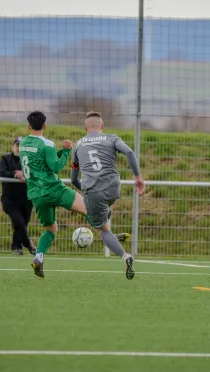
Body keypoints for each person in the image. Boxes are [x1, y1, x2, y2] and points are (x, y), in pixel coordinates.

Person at [19, 111, 129, 279]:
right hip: (54, 189)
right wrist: (65, 151)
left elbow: (41, 162)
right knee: (87, 208)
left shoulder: (23, 143)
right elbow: (55, 167)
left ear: (28, 126)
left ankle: (38, 257)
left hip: (36, 194)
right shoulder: (47, 144)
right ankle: (108, 234)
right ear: (45, 126)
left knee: (50, 229)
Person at [71, 111, 145, 280]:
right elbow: (129, 153)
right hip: (113, 188)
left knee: (101, 231)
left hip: (93, 191)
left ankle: (125, 256)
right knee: (103, 214)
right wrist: (138, 177)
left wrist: (86, 190)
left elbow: (74, 179)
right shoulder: (112, 138)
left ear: (85, 128)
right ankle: (112, 236)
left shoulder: (78, 145)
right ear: (102, 127)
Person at [0, 136, 37, 256]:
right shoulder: (5, 158)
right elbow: (2, 172)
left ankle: (16, 247)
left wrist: (26, 175)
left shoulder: (29, 160)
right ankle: (29, 244)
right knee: (18, 221)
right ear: (13, 146)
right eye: (17, 145)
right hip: (9, 199)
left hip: (26, 198)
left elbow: (35, 174)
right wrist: (16, 174)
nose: (18, 148)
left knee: (22, 224)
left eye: (21, 146)